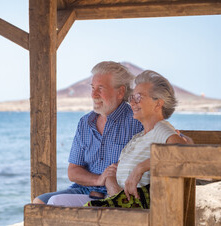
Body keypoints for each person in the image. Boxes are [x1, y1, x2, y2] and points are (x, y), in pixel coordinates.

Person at [49, 70, 189, 208]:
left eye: (138, 97)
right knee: (50, 206)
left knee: (54, 206)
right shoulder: (138, 138)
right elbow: (113, 172)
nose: (132, 103)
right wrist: (112, 185)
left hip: (132, 211)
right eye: (132, 98)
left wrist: (140, 168)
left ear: (158, 104)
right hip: (117, 205)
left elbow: (183, 153)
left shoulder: (160, 129)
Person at [32, 61, 144, 205]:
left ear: (120, 92)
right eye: (92, 88)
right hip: (83, 190)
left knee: (55, 203)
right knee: (38, 203)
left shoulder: (136, 121)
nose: (93, 94)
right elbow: (73, 171)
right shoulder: (85, 122)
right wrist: (98, 179)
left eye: (100, 88)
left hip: (117, 194)